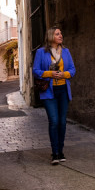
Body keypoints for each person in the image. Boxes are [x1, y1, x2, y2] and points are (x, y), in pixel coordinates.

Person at [33, 27, 76, 165]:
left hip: (63, 90)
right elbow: (36, 71)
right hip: (49, 91)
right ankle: (54, 152)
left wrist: (65, 74)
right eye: (57, 34)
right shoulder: (41, 52)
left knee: (62, 122)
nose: (61, 35)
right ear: (51, 36)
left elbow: (73, 70)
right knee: (54, 121)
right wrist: (50, 74)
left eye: (61, 33)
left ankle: (61, 151)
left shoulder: (66, 51)